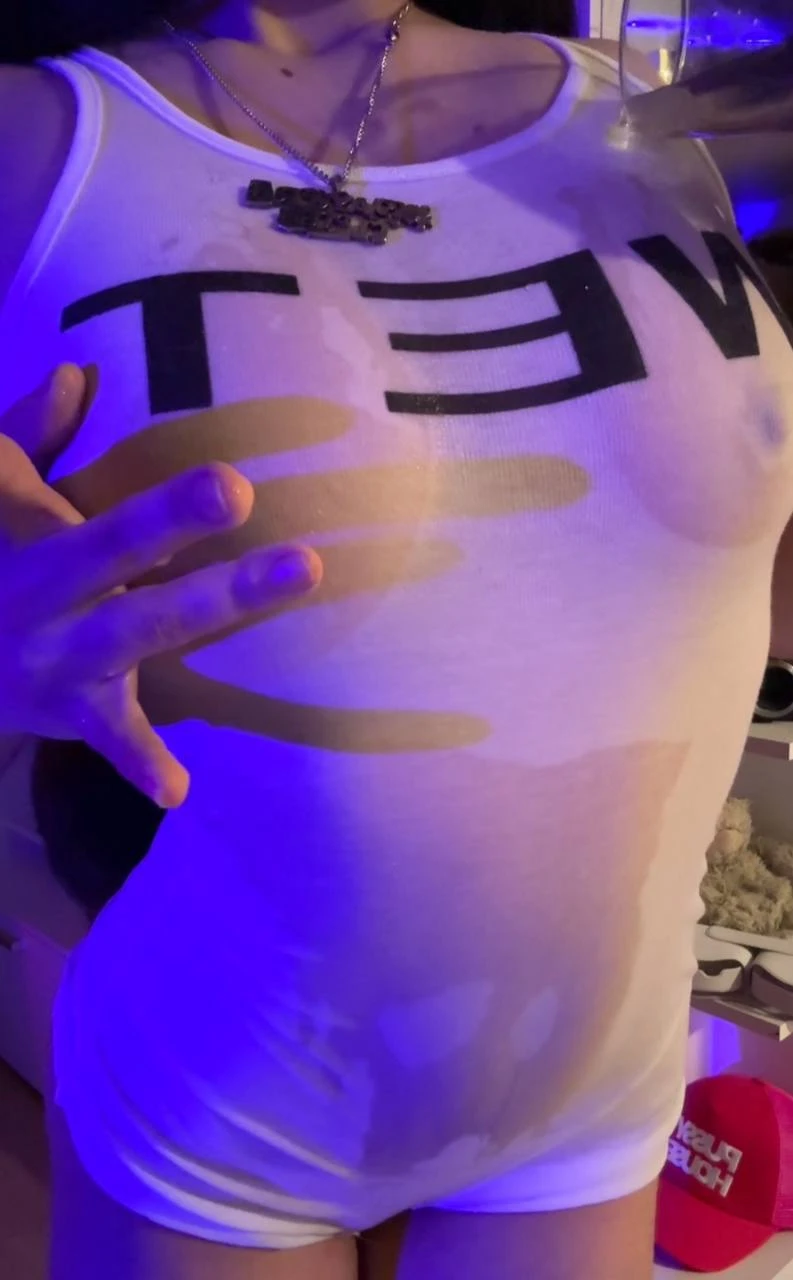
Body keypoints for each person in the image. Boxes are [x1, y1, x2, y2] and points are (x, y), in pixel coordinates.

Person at [2, 3, 793, 1278]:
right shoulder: (35, 139)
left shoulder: (648, 119)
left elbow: (721, 575)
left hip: (597, 1101)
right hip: (231, 1097)